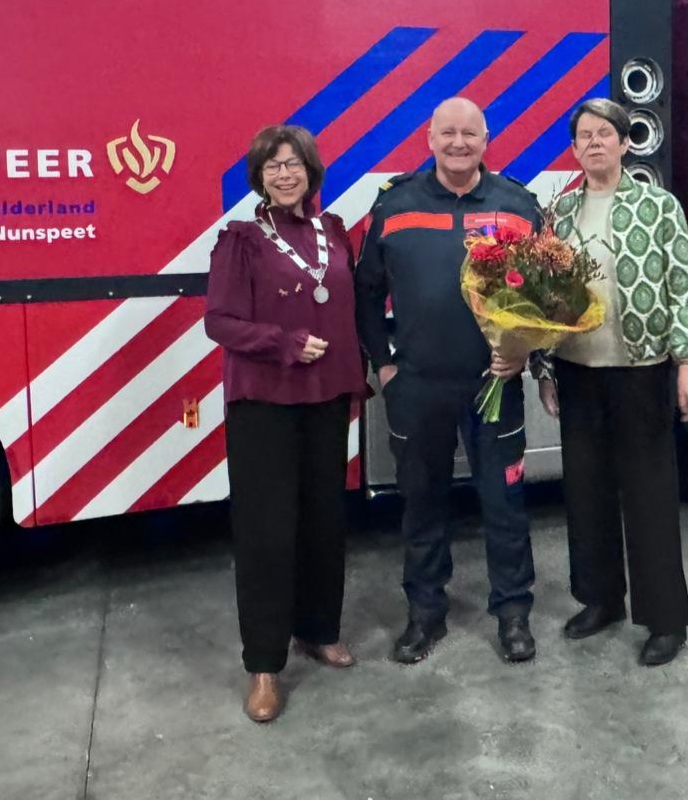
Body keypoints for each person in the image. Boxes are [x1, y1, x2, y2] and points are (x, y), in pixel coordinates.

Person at [354, 97, 543, 665]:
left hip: (494, 385)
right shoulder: (395, 205)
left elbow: (545, 294)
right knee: (422, 503)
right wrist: (384, 365)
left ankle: (513, 613)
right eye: (448, 133)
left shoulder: (518, 205)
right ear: (430, 139)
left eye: (469, 133)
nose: (458, 143)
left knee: (504, 502)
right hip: (418, 387)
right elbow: (365, 293)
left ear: (486, 140)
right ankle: (425, 614)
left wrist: (525, 351)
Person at [535, 98, 688, 666]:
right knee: (585, 493)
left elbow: (684, 286)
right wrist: (544, 368)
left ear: (625, 143)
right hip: (577, 371)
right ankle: (601, 599)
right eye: (584, 135)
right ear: (574, 148)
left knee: (649, 495)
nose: (594, 143)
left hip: (642, 371)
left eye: (604, 133)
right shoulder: (560, 214)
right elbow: (542, 298)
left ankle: (666, 619)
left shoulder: (658, 207)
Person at [205, 125, 362, 723]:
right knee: (266, 532)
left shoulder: (334, 232)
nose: (284, 174)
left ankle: (318, 631)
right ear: (260, 177)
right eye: (273, 166)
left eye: (294, 164)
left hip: (327, 398)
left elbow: (349, 308)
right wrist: (284, 342)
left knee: (324, 519)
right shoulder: (241, 240)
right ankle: (265, 664)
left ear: (311, 171)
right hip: (265, 400)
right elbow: (219, 322)